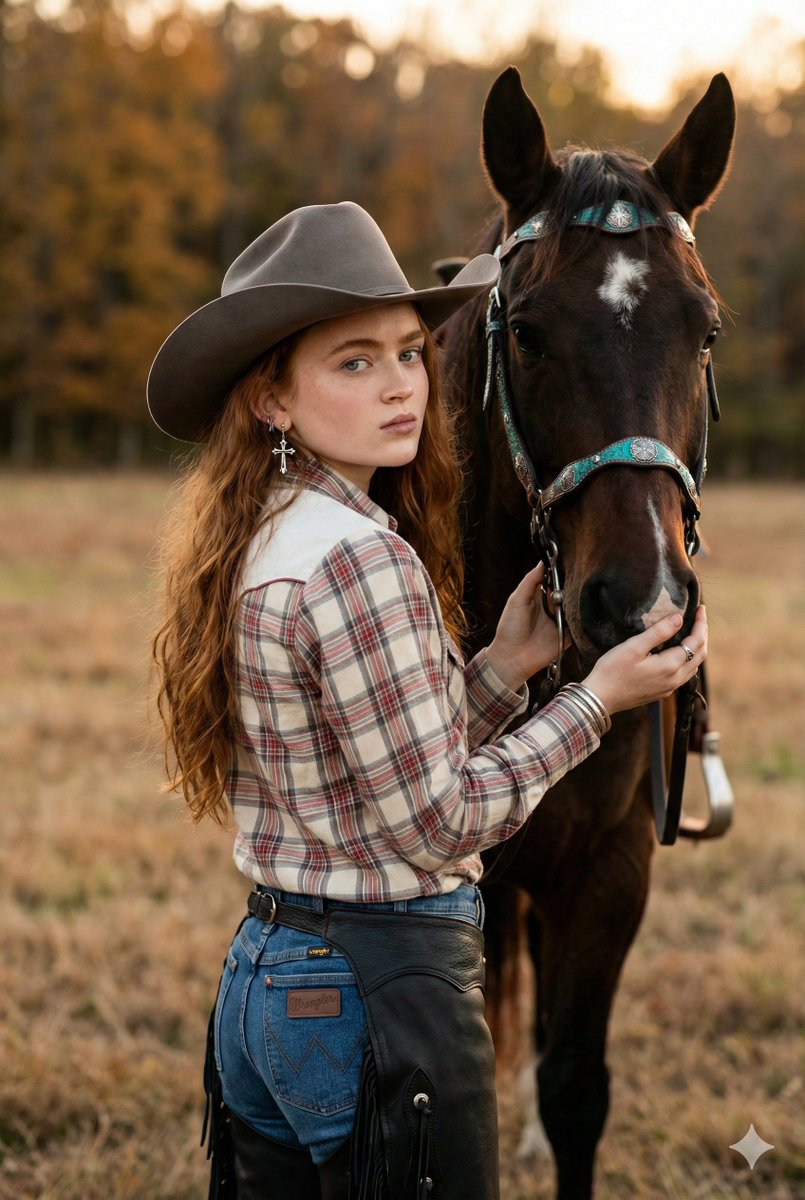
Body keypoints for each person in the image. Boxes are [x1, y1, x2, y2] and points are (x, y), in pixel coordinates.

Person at [147, 202, 707, 1200]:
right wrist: (595, 703)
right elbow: (438, 817)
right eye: (353, 363)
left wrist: (497, 666)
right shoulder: (370, 561)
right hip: (383, 991)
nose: (402, 386)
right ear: (272, 399)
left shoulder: (271, 533)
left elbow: (375, 758)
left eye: (409, 353)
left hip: (266, 983)